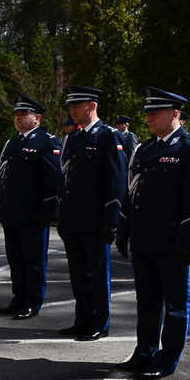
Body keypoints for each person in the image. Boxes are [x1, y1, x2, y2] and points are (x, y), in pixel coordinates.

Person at [115, 88, 190, 379]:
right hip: (145, 241)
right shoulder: (146, 149)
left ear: (174, 114)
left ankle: (167, 358)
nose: (148, 118)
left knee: (175, 305)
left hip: (173, 243)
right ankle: (144, 350)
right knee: (146, 301)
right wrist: (125, 228)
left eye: (154, 113)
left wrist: (189, 240)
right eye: (147, 113)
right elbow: (134, 194)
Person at [58, 86, 127, 341]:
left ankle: (99, 322)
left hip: (96, 221)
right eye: (71, 107)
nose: (73, 111)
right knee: (78, 274)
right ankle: (82, 320)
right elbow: (67, 180)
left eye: (78, 105)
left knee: (97, 275)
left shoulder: (109, 137)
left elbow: (116, 182)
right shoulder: (74, 138)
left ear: (92, 106)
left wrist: (111, 221)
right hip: (73, 220)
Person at [0, 95, 62, 319]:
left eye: (23, 114)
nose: (18, 118)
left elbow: (53, 181)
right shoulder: (13, 142)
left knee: (33, 261)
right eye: (16, 115)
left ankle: (33, 301)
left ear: (37, 118)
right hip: (12, 213)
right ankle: (19, 297)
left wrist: (47, 214)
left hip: (33, 214)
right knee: (15, 259)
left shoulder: (47, 142)